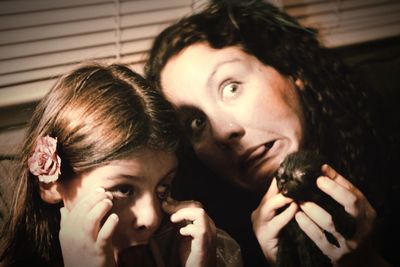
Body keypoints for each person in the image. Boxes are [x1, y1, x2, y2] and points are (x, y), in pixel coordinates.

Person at [144, 0, 399, 266]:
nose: (224, 131)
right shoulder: (212, 245)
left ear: (289, 69)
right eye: (196, 122)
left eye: (231, 87)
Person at [0, 62, 243, 267]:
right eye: (124, 190)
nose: (151, 217)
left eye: (162, 188)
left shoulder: (188, 245)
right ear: (51, 183)